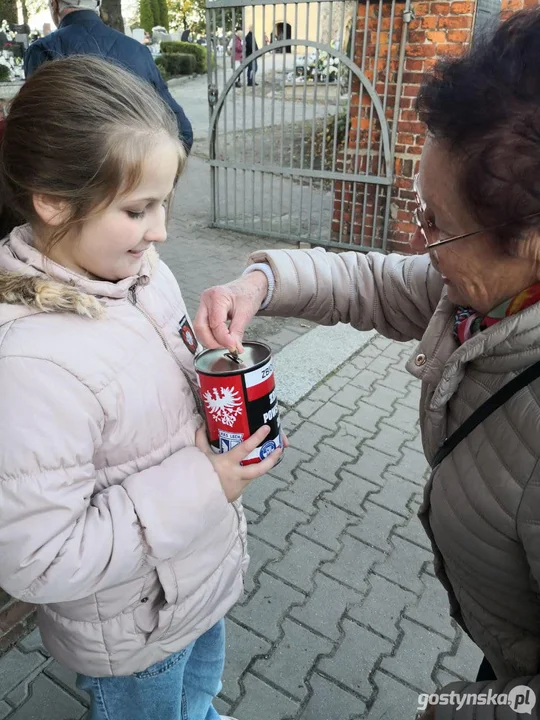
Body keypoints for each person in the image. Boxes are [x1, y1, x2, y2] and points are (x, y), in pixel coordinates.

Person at [195, 9, 540, 718]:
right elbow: (376, 282)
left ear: (530, 241)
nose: (419, 242)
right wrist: (259, 283)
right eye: (419, 206)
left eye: (438, 224)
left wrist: (464, 707)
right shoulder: (483, 296)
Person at [0, 55, 282, 720]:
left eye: (165, 203)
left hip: (197, 585)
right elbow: (39, 560)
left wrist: (210, 364)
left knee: (200, 700)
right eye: (138, 209)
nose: (161, 231)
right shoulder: (28, 360)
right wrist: (206, 483)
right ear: (53, 200)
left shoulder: (143, 273)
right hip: (136, 632)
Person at [23, 0, 193, 152]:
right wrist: (158, 184)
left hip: (75, 180)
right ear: (98, 5)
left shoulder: (43, 50)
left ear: (54, 5)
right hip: (135, 174)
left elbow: (34, 136)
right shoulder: (137, 49)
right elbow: (182, 130)